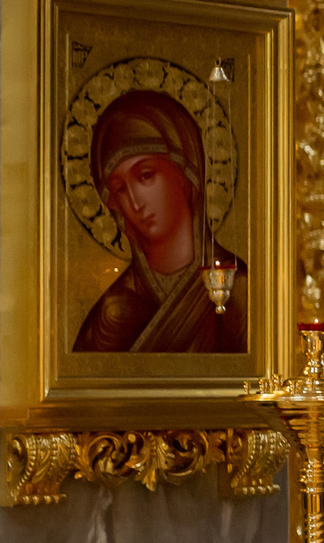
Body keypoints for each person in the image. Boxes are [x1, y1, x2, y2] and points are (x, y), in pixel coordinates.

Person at [73, 89, 247, 354]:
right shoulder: (111, 314)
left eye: (145, 175)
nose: (134, 202)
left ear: (184, 173)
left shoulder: (239, 290)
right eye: (119, 189)